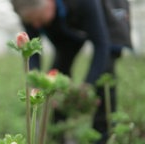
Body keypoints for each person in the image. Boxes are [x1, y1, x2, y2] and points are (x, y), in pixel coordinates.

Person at [11, 0, 132, 143]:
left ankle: (102, 136)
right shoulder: (26, 8)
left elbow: (101, 45)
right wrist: (35, 82)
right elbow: (32, 53)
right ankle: (58, 134)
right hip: (68, 22)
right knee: (57, 76)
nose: (36, 25)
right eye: (31, 21)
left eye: (38, 18)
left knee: (104, 77)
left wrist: (86, 86)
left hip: (109, 14)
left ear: (49, 2)